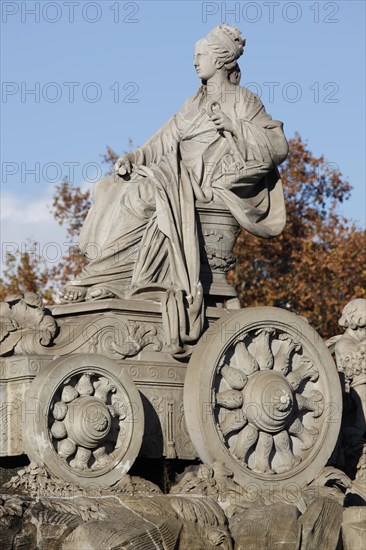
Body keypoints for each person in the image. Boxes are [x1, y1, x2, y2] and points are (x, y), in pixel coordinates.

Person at [61, 24, 288, 353]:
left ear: (221, 59)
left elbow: (276, 146)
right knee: (111, 186)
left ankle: (105, 278)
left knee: (142, 194)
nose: (195, 62)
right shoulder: (193, 103)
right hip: (178, 177)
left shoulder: (244, 101)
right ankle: (104, 276)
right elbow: (164, 140)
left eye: (201, 55)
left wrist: (234, 127)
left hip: (206, 186)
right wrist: (133, 156)